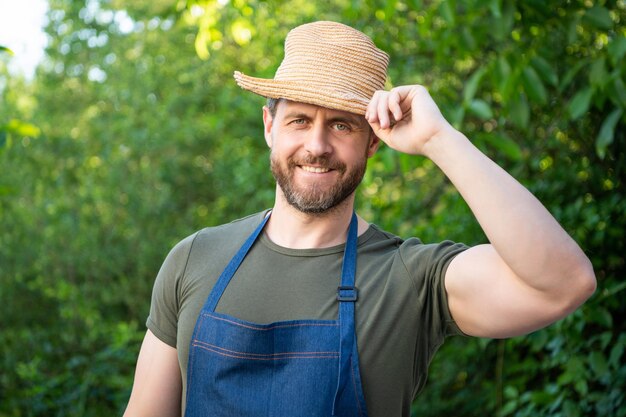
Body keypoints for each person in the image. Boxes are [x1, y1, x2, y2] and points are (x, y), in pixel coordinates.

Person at [123, 21, 596, 417]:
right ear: (270, 127)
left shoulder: (410, 278)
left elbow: (563, 283)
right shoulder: (194, 259)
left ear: (373, 142)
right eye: (300, 120)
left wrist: (439, 139)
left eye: (342, 124)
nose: (318, 145)